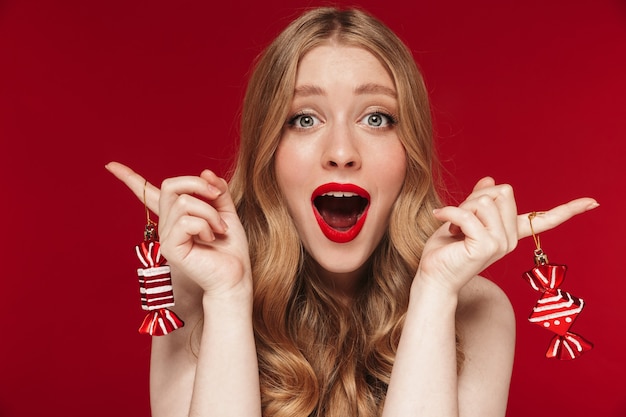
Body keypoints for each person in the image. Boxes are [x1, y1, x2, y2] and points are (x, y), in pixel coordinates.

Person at [106, 7, 598, 417]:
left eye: (376, 118)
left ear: (412, 151)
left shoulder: (475, 308)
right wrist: (230, 296)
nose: (341, 151)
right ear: (266, 151)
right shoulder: (195, 296)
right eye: (303, 118)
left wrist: (434, 291)